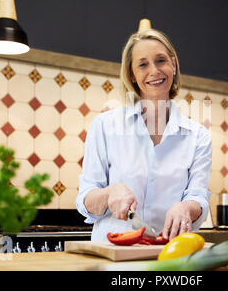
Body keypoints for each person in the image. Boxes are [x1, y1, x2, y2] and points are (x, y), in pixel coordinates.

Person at [76, 29, 212, 241]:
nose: (154, 71)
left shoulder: (198, 136)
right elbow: (85, 199)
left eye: (161, 60)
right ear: (132, 74)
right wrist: (109, 193)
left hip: (168, 255)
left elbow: (198, 196)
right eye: (143, 64)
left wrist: (186, 207)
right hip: (112, 255)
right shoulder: (104, 126)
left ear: (173, 65)